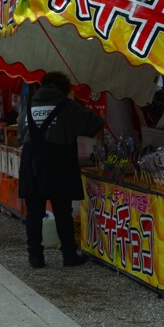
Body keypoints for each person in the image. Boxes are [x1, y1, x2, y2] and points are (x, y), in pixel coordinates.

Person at [18, 71, 103, 268]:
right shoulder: (68, 107)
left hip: (31, 164)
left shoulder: (28, 107)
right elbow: (95, 123)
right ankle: (69, 256)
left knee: (34, 212)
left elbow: (21, 135)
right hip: (58, 163)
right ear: (64, 89)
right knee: (62, 211)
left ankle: (35, 257)